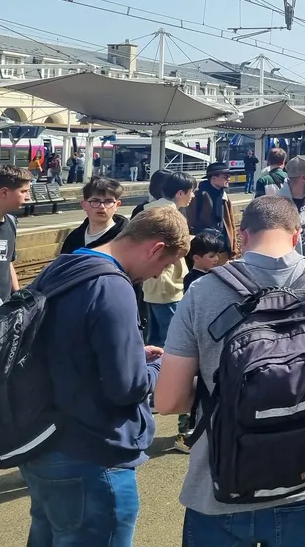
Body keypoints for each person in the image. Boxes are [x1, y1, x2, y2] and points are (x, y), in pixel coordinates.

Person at [155, 197, 305, 546]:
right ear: (297, 235)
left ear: (243, 236)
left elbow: (169, 400)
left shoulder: (203, 290)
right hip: (304, 480)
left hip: (220, 486)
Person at [18, 208, 191, 547]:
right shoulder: (114, 287)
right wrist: (160, 367)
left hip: (43, 445)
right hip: (91, 453)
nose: (158, 274)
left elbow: (66, 344)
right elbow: (127, 387)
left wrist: (131, 352)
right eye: (165, 265)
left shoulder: (64, 266)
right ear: (156, 249)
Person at [142, 172, 197, 349]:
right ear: (180, 193)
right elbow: (179, 248)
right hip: (168, 284)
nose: (193, 196)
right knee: (171, 339)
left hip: (151, 282)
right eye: (191, 191)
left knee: (153, 338)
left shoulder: (149, 209)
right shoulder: (171, 215)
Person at [0, 165, 30, 301]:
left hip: (4, 306)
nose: (28, 197)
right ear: (4, 193)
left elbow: (7, 261)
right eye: (24, 191)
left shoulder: (11, 222)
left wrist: (17, 293)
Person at [60, 176, 129, 254]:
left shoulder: (126, 238)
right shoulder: (74, 237)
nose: (102, 206)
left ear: (117, 205)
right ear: (84, 205)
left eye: (108, 201)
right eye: (95, 201)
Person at [186, 162, 238, 256]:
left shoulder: (224, 196)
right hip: (204, 250)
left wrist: (233, 248)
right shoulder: (198, 196)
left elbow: (231, 223)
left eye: (229, 176)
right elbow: (190, 221)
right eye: (225, 177)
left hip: (223, 248)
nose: (229, 179)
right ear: (213, 178)